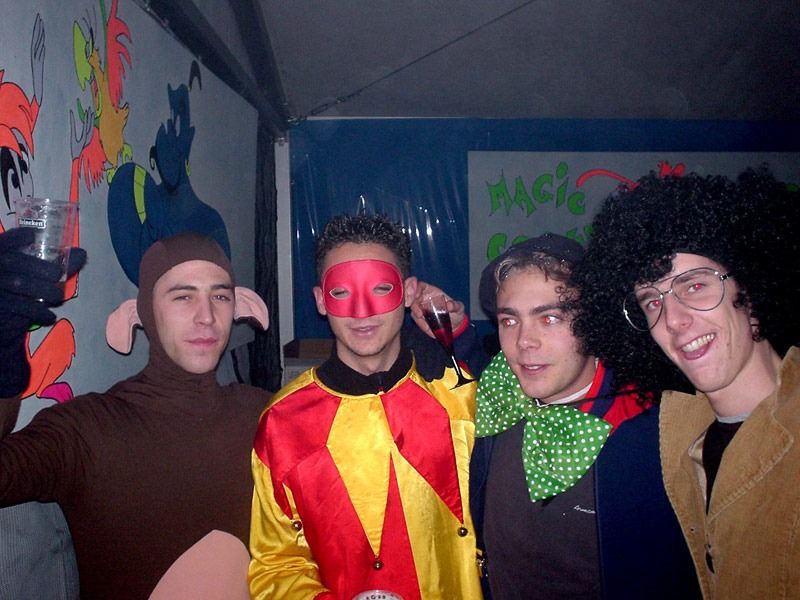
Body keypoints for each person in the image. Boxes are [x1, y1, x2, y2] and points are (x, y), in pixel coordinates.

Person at [0, 231, 270, 600]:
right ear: (141, 312)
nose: (206, 316)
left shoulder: (267, 415)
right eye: (183, 296)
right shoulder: (87, 429)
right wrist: (3, 361)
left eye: (220, 296)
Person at [571, 169, 800, 599]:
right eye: (651, 301)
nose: (672, 320)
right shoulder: (663, 439)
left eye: (694, 286)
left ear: (749, 289)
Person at [249, 213, 483, 599]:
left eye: (381, 288)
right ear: (321, 300)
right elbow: (277, 564)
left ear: (408, 292)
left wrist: (458, 340)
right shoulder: (282, 424)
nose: (361, 311)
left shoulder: (460, 396)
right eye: (341, 292)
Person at [470, 233, 699, 599]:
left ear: (594, 322)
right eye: (509, 321)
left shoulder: (651, 435)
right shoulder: (496, 397)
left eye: (550, 318)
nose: (525, 341)